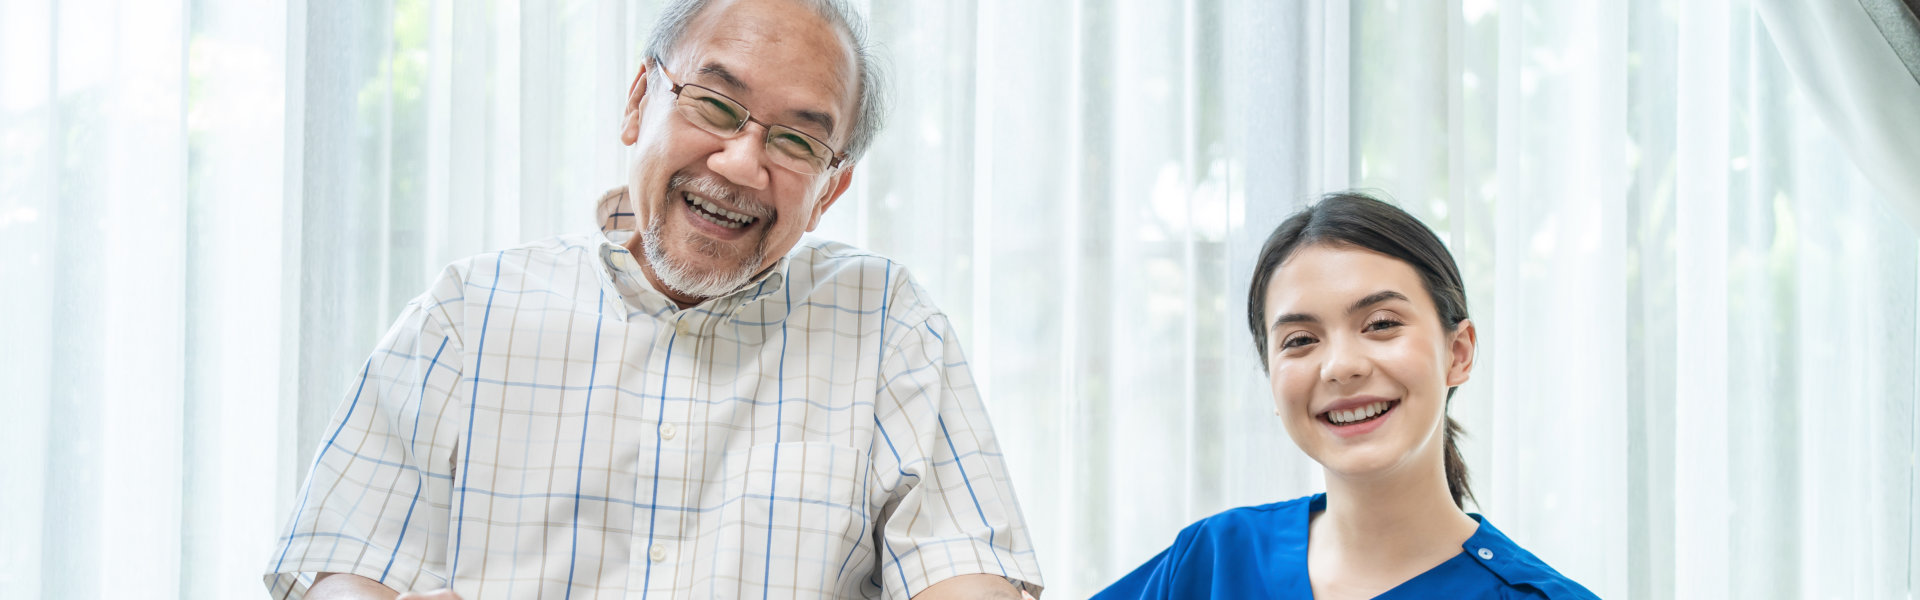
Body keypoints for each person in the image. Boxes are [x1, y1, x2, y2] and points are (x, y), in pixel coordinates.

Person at [262, 0, 1043, 597]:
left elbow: (965, 570)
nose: (741, 163)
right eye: (713, 103)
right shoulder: (468, 313)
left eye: (798, 141)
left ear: (830, 190)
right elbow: (343, 567)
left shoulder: (887, 323)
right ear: (640, 101)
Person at [1094, 193, 1596, 599]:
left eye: (1380, 325)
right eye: (1300, 341)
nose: (1340, 367)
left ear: (1458, 353)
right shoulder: (1213, 562)